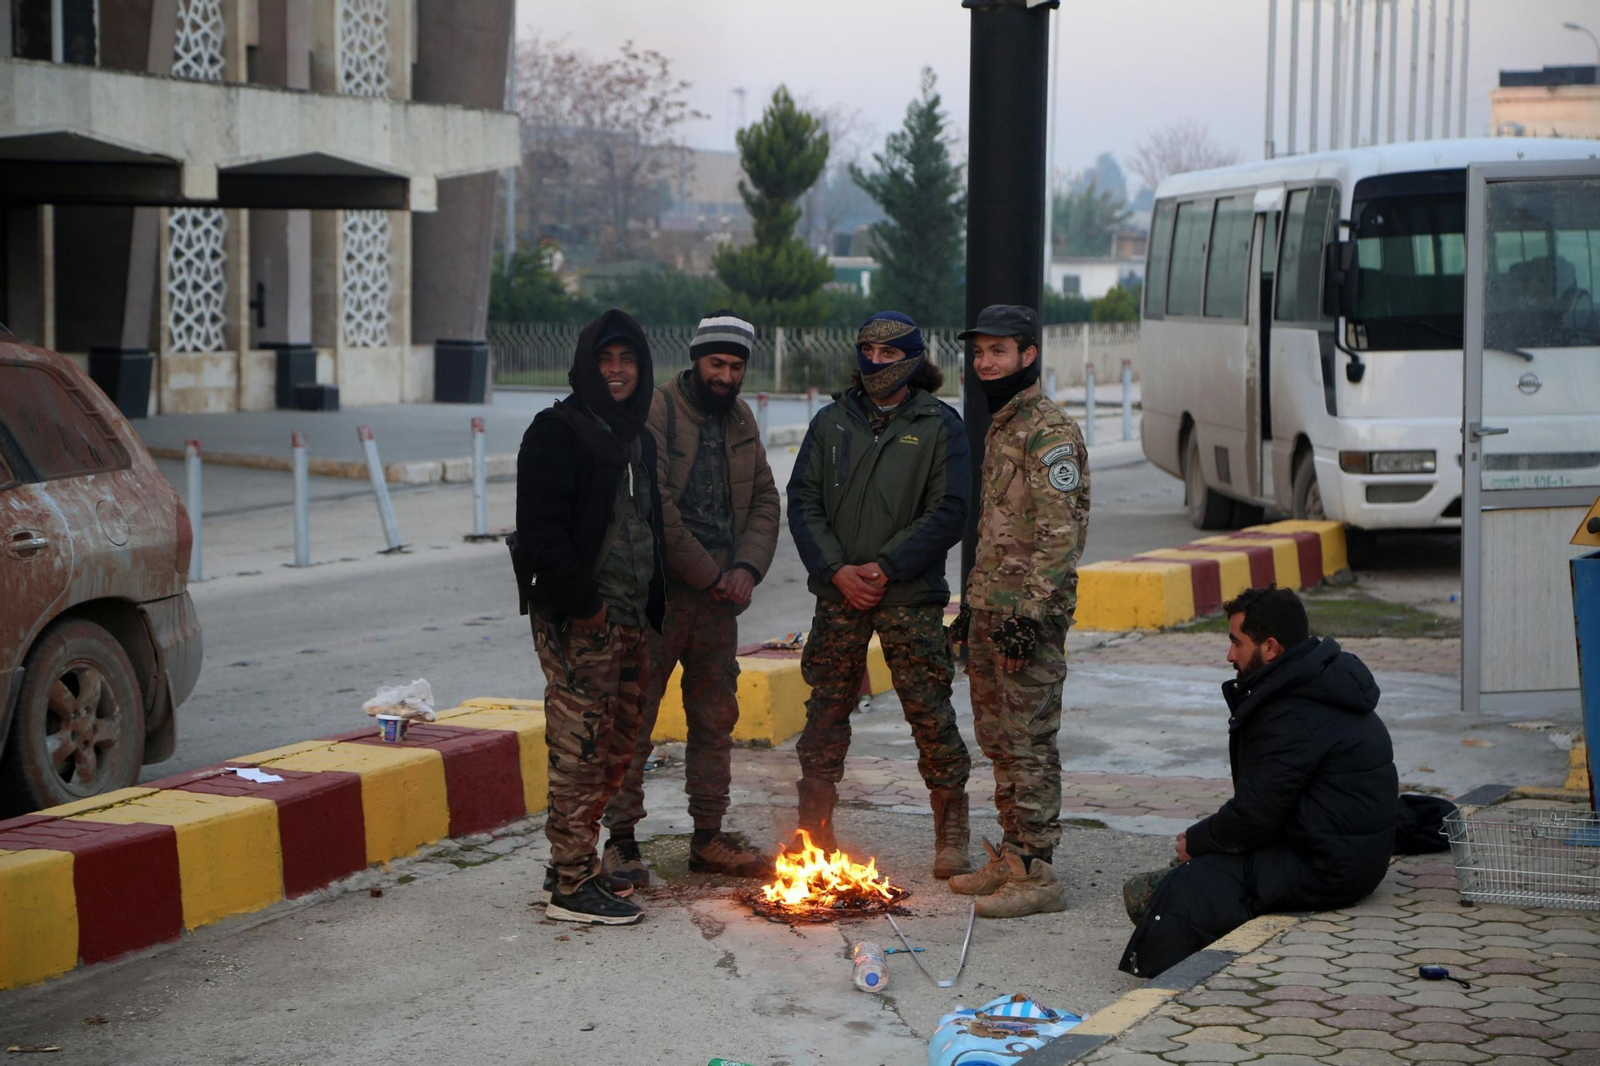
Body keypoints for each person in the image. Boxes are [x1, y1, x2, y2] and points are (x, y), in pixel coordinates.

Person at [1118, 586, 1398, 977]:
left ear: (1270, 648)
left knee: (1152, 892)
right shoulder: (1318, 683)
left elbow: (1254, 816)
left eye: (1236, 643)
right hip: (1349, 856)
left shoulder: (1292, 712)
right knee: (1203, 863)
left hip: (1332, 869)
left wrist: (1197, 841)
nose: (1229, 656)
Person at [787, 310, 973, 878]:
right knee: (825, 712)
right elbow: (803, 501)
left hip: (909, 595)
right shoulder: (830, 422)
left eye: (889, 354)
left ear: (914, 360)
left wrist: (887, 567)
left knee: (929, 710)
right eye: (867, 351)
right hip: (840, 593)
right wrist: (838, 569)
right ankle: (812, 828)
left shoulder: (941, 425)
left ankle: (951, 828)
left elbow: (950, 511)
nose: (876, 363)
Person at [599, 311, 781, 887]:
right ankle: (621, 842)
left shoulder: (742, 420)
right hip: (659, 598)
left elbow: (766, 503)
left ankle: (708, 836)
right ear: (696, 361)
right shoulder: (656, 410)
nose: (725, 376)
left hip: (720, 603)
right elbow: (655, 508)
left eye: (735, 366)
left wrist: (747, 569)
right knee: (633, 718)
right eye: (716, 364)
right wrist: (711, 575)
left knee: (714, 720)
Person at [514, 308, 666, 926]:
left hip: (631, 622)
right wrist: (587, 608)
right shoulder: (557, 431)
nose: (616, 371)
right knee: (579, 749)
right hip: (582, 624)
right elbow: (541, 535)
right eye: (605, 360)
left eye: (627, 360)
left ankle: (572, 861)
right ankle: (571, 885)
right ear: (585, 365)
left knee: (618, 746)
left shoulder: (639, 437)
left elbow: (649, 523)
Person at [947, 304, 1090, 919]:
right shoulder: (1003, 422)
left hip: (1027, 617)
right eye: (979, 353)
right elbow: (1001, 530)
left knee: (1029, 740)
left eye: (998, 352)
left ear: (1028, 356)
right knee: (999, 740)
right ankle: (1012, 854)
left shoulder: (1049, 430)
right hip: (992, 610)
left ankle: (1037, 872)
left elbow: (1061, 535)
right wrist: (974, 608)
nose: (986, 363)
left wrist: (1027, 616)